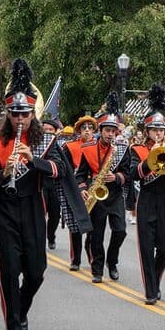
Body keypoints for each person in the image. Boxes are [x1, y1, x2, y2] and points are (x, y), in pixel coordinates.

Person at [0, 59, 79, 330]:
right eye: (15, 114)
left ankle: (21, 309)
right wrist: (5, 172)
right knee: (10, 268)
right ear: (8, 115)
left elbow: (61, 171)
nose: (20, 119)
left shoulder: (45, 142)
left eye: (25, 113)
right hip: (4, 208)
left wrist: (33, 160)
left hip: (34, 206)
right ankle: (12, 321)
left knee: (36, 271)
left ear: (32, 115)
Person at [130, 84, 165, 304]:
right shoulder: (137, 150)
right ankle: (150, 291)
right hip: (147, 200)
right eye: (155, 130)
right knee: (146, 247)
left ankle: (155, 280)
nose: (159, 134)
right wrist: (149, 158)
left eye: (162, 130)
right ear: (147, 131)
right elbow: (134, 174)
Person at [76, 91, 131, 283]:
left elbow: (128, 174)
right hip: (96, 196)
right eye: (107, 130)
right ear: (101, 130)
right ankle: (97, 270)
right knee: (96, 235)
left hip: (115, 195)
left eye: (113, 131)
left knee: (120, 231)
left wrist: (115, 177)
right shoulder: (88, 148)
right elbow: (80, 175)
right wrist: (83, 188)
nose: (110, 134)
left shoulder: (122, 149)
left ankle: (112, 261)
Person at [60, 115, 97, 271]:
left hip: (94, 187)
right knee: (75, 226)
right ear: (79, 130)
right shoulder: (70, 147)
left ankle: (92, 256)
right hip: (75, 187)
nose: (87, 130)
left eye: (90, 128)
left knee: (94, 225)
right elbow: (65, 169)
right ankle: (75, 259)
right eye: (84, 128)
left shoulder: (98, 146)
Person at [41, 119, 63, 249]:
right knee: (39, 214)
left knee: (55, 215)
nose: (48, 133)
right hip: (41, 183)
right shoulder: (36, 144)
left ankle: (51, 236)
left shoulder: (58, 146)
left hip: (54, 184)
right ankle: (39, 238)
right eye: (46, 130)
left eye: (51, 130)